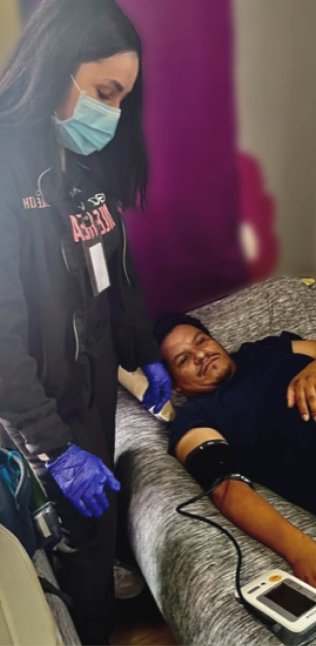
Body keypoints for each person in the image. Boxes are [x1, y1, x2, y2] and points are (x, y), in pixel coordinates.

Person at [0, 1, 172, 641]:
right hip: (43, 404)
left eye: (122, 98)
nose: (114, 114)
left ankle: (101, 602)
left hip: (95, 381)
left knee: (98, 530)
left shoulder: (85, 169)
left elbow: (116, 274)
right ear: (55, 69)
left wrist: (143, 349)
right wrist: (53, 446)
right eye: (105, 93)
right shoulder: (7, 169)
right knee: (77, 534)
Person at [156, 315, 316, 635]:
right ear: (174, 382)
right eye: (184, 359)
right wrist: (302, 551)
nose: (200, 355)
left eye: (200, 341)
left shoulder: (267, 350)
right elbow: (225, 488)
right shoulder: (195, 418)